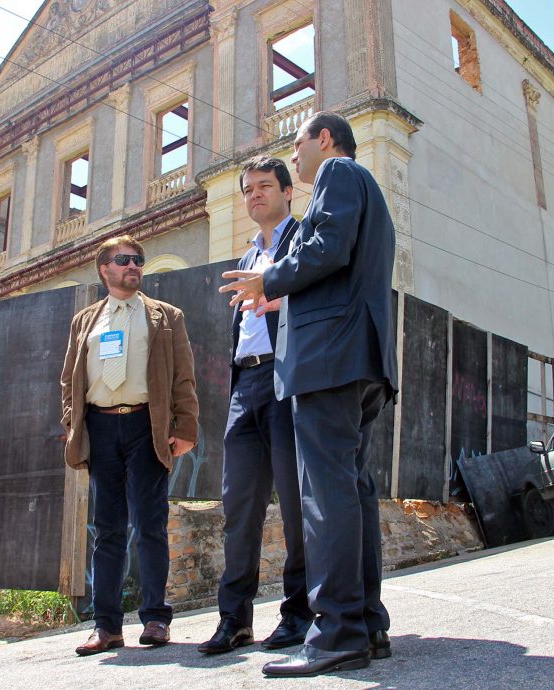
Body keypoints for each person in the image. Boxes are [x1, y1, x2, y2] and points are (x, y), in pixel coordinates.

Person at [219, 111, 397, 677]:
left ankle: (337, 633)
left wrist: (268, 279)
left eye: (297, 147)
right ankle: (367, 624)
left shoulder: (339, 174)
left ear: (325, 140)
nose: (294, 158)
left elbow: (328, 248)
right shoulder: (365, 189)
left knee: (326, 496)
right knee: (352, 491)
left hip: (329, 361)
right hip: (357, 361)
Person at [60, 235, 199, 656]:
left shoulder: (165, 316)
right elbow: (69, 379)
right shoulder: (85, 321)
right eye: (124, 260)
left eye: (138, 260)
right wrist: (73, 422)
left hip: (146, 427)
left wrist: (186, 425)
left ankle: (156, 618)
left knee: (151, 525)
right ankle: (107, 627)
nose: (133, 265)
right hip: (101, 430)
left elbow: (183, 376)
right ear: (104, 269)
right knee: (108, 531)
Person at [198, 156, 313, 655]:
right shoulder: (246, 257)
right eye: (247, 190)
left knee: (293, 503)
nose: (254, 196)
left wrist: (280, 300)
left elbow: (320, 298)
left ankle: (299, 613)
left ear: (289, 192)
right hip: (245, 384)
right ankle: (234, 619)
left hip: (285, 379)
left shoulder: (304, 241)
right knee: (238, 505)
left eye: (265, 186)